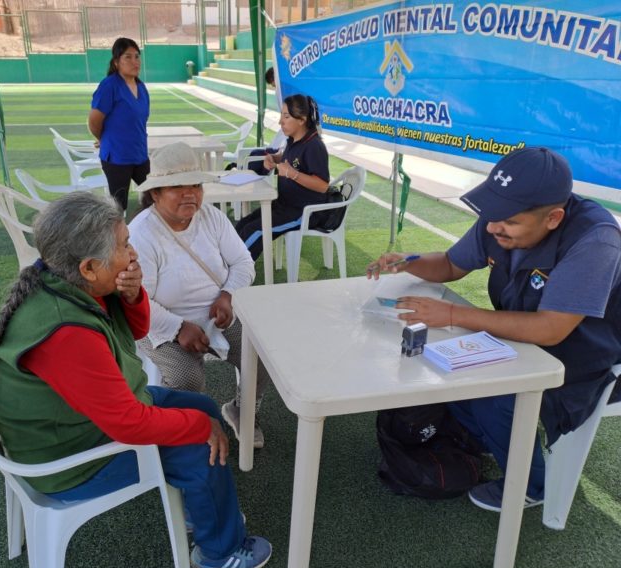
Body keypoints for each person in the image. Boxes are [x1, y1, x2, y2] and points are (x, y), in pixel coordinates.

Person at [0, 192, 272, 568]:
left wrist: (134, 294)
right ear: (89, 267)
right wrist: (200, 429)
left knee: (200, 406)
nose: (133, 253)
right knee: (201, 443)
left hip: (80, 423)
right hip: (71, 459)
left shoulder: (68, 283)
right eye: (124, 246)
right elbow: (128, 424)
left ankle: (200, 507)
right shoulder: (66, 331)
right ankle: (220, 552)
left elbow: (135, 330)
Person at [367, 147, 621, 512]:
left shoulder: (594, 240)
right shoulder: (499, 217)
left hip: (579, 361)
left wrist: (452, 313)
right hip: (522, 338)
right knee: (445, 366)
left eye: (508, 222)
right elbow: (452, 265)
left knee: (496, 395)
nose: (491, 227)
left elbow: (551, 330)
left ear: (553, 218)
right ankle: (491, 436)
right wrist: (409, 263)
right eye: (491, 215)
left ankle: (532, 486)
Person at [129, 142, 274, 449]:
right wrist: (178, 327)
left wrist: (228, 295)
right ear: (155, 193)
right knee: (186, 380)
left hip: (218, 315)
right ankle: (188, 432)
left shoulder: (211, 217)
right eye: (177, 186)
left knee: (261, 355)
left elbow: (243, 263)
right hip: (159, 325)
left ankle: (241, 410)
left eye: (195, 184)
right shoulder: (142, 234)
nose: (190, 193)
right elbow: (137, 301)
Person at [235, 94, 330, 260]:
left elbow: (322, 185)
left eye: (286, 116)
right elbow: (288, 157)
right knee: (243, 224)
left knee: (255, 230)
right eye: (281, 116)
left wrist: (291, 174)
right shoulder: (294, 140)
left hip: (302, 211)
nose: (280, 122)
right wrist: (275, 158)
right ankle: (230, 265)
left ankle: (236, 271)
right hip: (284, 204)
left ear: (301, 119)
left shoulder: (314, 146)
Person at [88, 37, 150, 212]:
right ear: (116, 62)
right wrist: (104, 138)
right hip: (117, 157)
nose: (134, 61)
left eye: (137, 56)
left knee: (155, 195)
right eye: (128, 57)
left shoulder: (141, 87)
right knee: (118, 206)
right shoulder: (109, 86)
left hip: (139, 155)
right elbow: (94, 120)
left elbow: (140, 121)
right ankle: (118, 239)